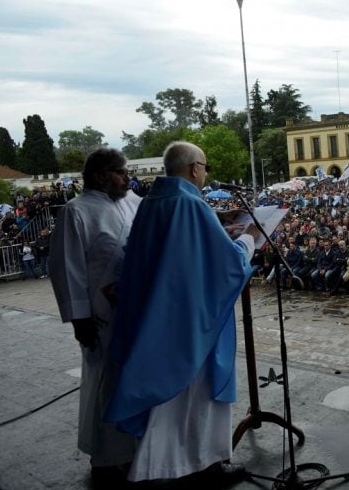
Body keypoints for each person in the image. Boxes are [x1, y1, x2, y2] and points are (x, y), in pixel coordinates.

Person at [104, 141, 255, 483]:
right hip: (187, 324)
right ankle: (197, 466)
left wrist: (219, 220)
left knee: (170, 404)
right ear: (194, 168)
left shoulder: (154, 201)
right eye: (205, 167)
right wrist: (249, 240)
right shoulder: (190, 204)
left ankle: (177, 465)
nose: (204, 173)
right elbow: (227, 265)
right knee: (193, 399)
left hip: (156, 318)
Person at [49, 148, 142, 483]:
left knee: (135, 381)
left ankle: (138, 449)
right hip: (101, 319)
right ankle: (106, 458)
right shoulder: (76, 212)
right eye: (121, 172)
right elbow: (66, 268)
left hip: (136, 312)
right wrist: (80, 319)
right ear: (101, 175)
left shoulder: (134, 202)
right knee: (106, 384)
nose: (128, 177)